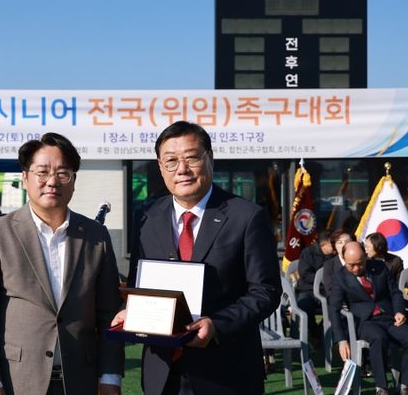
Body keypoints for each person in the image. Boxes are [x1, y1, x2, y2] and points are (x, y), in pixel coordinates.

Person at [114, 121, 282, 395]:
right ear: (160, 167)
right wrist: (131, 310)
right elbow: (138, 283)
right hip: (162, 372)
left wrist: (217, 325)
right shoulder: (146, 217)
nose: (181, 169)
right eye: (171, 161)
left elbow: (266, 291)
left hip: (225, 372)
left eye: (191, 158)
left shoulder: (246, 216)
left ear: (210, 158)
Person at [0, 132, 123, 395]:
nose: (52, 181)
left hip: (81, 380)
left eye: (63, 173)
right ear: (25, 178)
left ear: (74, 181)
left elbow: (109, 313)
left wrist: (110, 376)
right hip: (17, 380)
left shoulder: (96, 235)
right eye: (42, 172)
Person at [329, 241, 408, 395]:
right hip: (364, 321)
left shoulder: (379, 267)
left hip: (389, 317)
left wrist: (399, 311)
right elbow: (334, 309)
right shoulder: (339, 277)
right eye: (351, 265)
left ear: (366, 256)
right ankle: (381, 388)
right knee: (378, 337)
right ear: (344, 260)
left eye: (360, 263)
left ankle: (404, 386)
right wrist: (341, 340)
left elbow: (395, 293)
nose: (356, 268)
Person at [295, 229, 335, 348]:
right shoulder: (307, 253)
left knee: (335, 308)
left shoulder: (335, 255)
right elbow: (305, 274)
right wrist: (323, 279)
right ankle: (313, 333)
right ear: (324, 245)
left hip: (326, 291)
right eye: (332, 244)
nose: (335, 247)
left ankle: (319, 332)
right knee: (304, 306)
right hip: (308, 290)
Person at [322, 228, 355, 296]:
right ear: (335, 247)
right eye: (340, 243)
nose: (344, 245)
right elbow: (330, 292)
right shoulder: (329, 265)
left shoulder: (361, 259)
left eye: (347, 241)